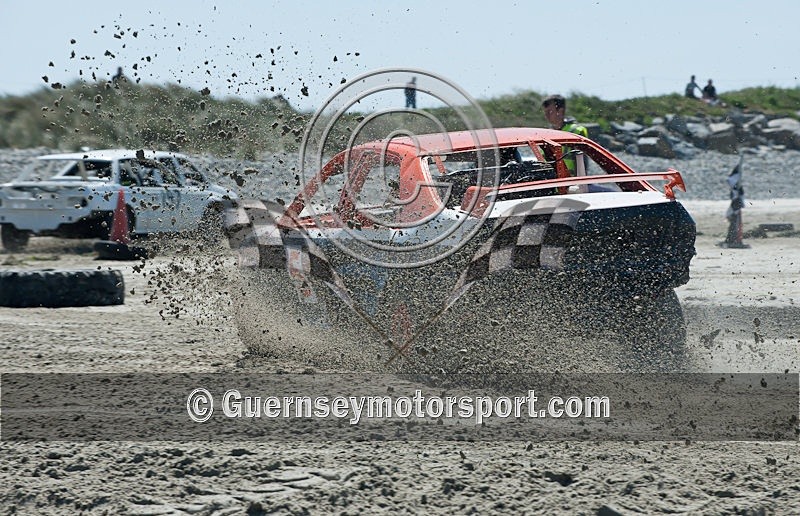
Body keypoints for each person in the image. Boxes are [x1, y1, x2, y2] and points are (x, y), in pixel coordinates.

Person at [541, 94, 588, 175]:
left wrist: (579, 184)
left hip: (573, 183)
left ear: (560, 111)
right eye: (545, 112)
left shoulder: (575, 131)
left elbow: (582, 162)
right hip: (553, 183)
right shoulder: (546, 134)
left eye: (549, 112)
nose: (546, 115)